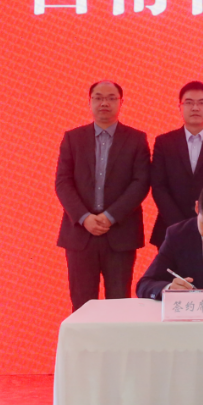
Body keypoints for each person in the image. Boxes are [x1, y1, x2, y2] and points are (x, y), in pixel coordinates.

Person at [55, 80, 151, 311]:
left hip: (120, 234)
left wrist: (110, 216)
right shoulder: (73, 138)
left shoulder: (136, 139)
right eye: (98, 98)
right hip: (80, 235)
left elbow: (141, 183)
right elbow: (63, 182)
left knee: (118, 306)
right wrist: (84, 217)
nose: (104, 103)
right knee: (81, 306)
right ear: (90, 102)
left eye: (110, 98)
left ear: (121, 102)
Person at [150, 81, 203, 248]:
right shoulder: (164, 142)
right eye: (189, 102)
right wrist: (180, 225)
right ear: (180, 107)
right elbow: (158, 186)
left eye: (201, 103)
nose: (195, 108)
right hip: (170, 230)